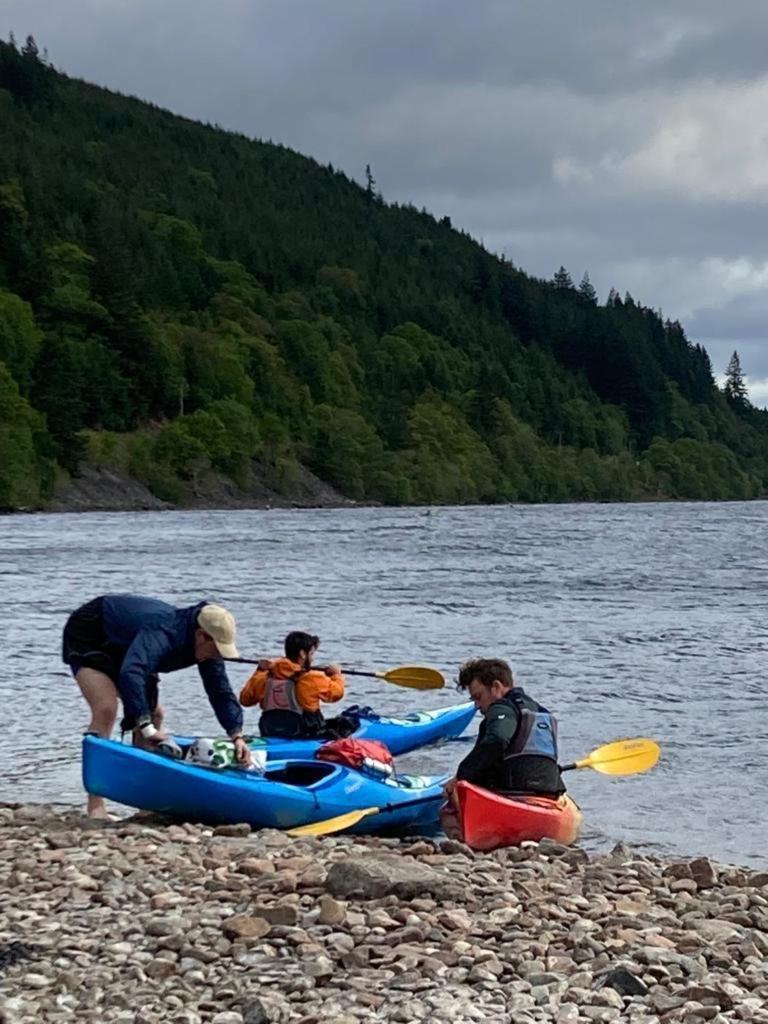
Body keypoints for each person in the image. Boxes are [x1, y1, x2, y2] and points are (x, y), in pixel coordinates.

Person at [62, 594, 253, 817]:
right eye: (218, 649)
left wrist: (236, 735)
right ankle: (96, 805)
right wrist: (147, 728)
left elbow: (219, 690)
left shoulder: (207, 647)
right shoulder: (163, 632)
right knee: (106, 708)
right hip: (91, 633)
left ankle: (143, 800)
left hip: (130, 646)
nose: (219, 656)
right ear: (202, 636)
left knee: (155, 713)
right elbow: (133, 671)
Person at [444, 657, 565, 799]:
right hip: (549, 791)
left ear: (496, 687)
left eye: (478, 697)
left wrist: (461, 776)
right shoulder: (541, 711)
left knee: (447, 815)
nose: (477, 705)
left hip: (511, 791)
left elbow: (497, 739)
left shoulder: (501, 707)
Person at [239, 631, 346, 739]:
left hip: (270, 730)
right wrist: (336, 675)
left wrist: (259, 671)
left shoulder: (265, 675)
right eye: (311, 654)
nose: (312, 659)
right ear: (302, 654)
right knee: (344, 724)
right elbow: (336, 694)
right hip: (304, 734)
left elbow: (245, 700)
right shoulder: (311, 678)